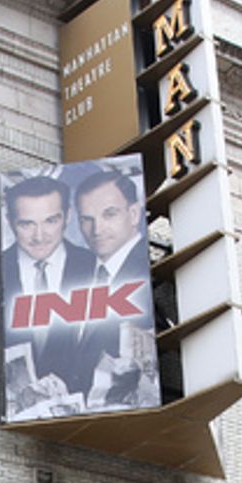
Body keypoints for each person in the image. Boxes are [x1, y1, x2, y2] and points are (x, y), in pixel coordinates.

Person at [0, 173, 98, 399]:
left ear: (68, 217)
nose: (39, 236)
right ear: (9, 221)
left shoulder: (96, 267)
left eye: (51, 221)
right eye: (26, 224)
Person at [72, 169, 159, 407]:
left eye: (109, 214)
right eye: (86, 219)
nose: (97, 229)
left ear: (133, 214)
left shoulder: (153, 269)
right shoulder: (74, 270)